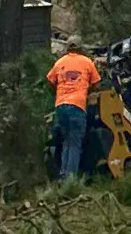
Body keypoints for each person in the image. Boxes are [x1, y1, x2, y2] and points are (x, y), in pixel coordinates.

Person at [46, 36, 101, 180]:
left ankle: (63, 176)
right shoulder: (87, 62)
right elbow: (97, 84)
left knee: (66, 141)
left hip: (61, 106)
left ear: (67, 48)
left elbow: (50, 81)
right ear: (80, 48)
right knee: (75, 143)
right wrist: (86, 90)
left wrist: (60, 91)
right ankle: (71, 179)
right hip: (77, 106)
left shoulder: (59, 63)